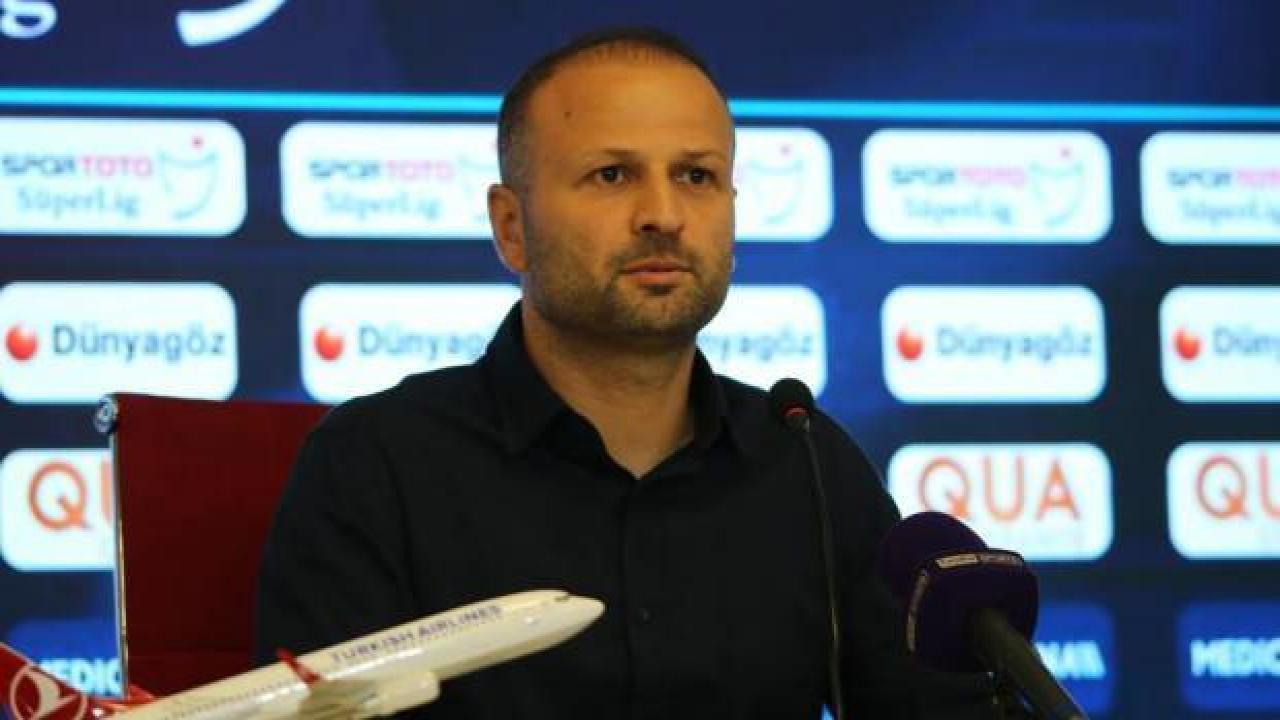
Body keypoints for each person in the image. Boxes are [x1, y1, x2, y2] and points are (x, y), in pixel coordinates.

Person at [256, 27, 1003, 718]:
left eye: (696, 176)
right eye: (612, 174)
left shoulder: (807, 464)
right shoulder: (376, 464)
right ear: (511, 227)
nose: (663, 214)